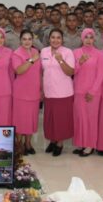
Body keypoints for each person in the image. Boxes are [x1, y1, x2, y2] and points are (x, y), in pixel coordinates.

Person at [41, 29, 75, 157]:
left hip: (63, 92)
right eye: (53, 37)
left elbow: (70, 72)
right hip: (49, 91)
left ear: (62, 40)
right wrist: (41, 89)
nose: (55, 40)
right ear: (49, 39)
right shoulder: (44, 51)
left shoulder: (67, 52)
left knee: (60, 120)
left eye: (58, 37)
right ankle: (52, 141)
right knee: (50, 119)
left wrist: (60, 60)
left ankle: (60, 143)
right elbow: (42, 71)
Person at [72, 28, 103, 157]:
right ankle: (81, 143)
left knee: (91, 119)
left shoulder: (99, 54)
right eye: (86, 37)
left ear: (94, 39)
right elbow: (73, 71)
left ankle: (90, 145)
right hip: (78, 90)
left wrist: (93, 91)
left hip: (93, 92)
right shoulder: (76, 52)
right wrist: (80, 62)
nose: (88, 40)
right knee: (80, 118)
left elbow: (100, 74)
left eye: (91, 37)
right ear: (82, 38)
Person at [11, 29, 42, 155]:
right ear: (20, 40)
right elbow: (19, 70)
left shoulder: (36, 52)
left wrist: (41, 89)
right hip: (21, 92)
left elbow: (40, 72)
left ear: (32, 40)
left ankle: (28, 143)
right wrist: (31, 60)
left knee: (31, 118)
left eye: (29, 39)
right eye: (24, 39)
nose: (27, 41)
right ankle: (19, 143)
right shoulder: (16, 53)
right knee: (20, 119)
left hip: (34, 91)